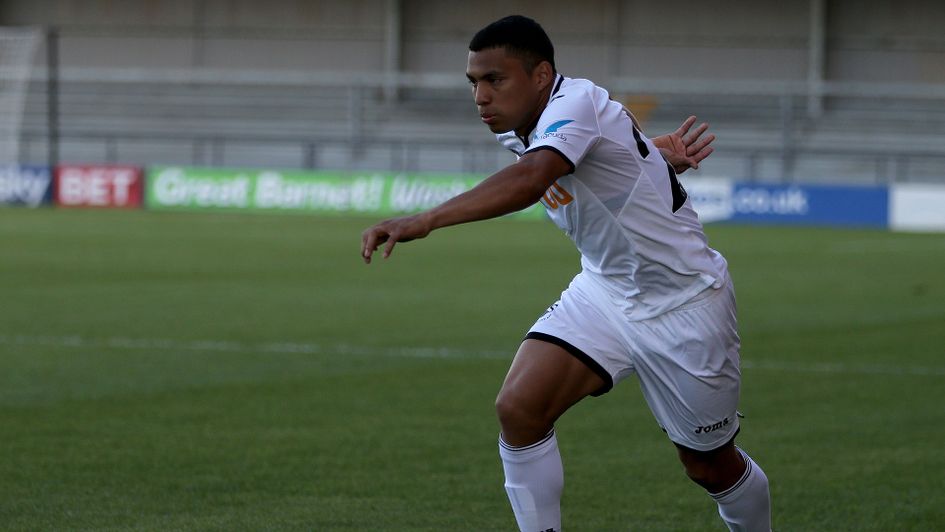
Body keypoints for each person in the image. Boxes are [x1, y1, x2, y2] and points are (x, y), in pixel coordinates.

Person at [361, 15, 771, 532]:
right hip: (605, 289)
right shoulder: (526, 124)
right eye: (474, 82)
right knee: (519, 408)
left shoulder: (572, 102)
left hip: (683, 302)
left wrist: (426, 219)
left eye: (495, 79)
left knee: (709, 465)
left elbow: (534, 177)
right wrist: (653, 154)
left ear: (540, 75)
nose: (481, 96)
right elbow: (610, 151)